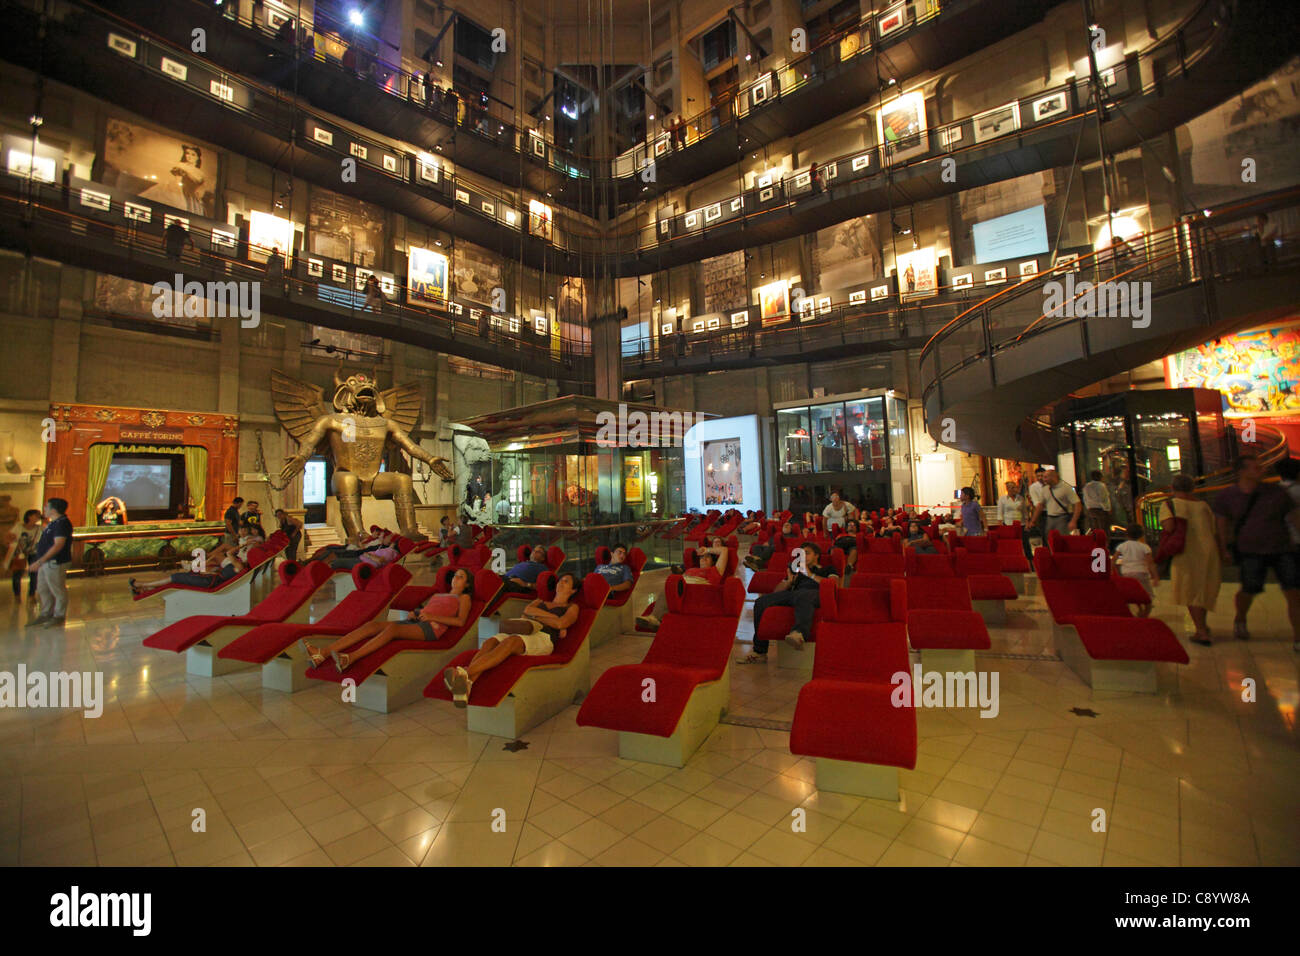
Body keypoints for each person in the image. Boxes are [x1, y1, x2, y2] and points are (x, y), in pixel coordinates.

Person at [444, 572, 581, 705]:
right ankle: (466, 686)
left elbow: (562, 623)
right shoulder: (539, 601)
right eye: (560, 580)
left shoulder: (572, 607)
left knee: (512, 641)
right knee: (490, 642)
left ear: (573, 590)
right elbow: (528, 611)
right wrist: (553, 618)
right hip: (526, 629)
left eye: (566, 581)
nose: (560, 582)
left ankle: (464, 672)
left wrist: (537, 617)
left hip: (543, 637)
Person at [308, 567, 473, 671]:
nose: (455, 578)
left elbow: (460, 622)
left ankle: (350, 658)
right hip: (417, 622)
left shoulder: (464, 598)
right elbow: (426, 610)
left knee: (392, 629)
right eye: (455, 575)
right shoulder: (438, 594)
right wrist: (416, 613)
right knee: (371, 626)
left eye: (460, 577)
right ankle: (323, 653)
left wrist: (431, 616)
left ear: (467, 585)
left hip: (432, 629)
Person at [1212, 455, 1299, 647]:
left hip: (1282, 547)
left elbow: (1293, 516)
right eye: (1256, 468)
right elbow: (1222, 524)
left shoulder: (1276, 492)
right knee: (1249, 589)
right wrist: (1224, 548)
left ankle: (1298, 637)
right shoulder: (1227, 496)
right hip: (1250, 549)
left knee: (1293, 591)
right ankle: (1240, 618)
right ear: (1242, 471)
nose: (1262, 470)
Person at [739, 542, 838, 662]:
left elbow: (833, 584)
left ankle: (799, 633)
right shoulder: (796, 571)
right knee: (761, 602)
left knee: (804, 595)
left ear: (817, 555)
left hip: (815, 594)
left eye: (807, 553)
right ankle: (760, 651)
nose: (803, 557)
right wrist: (789, 581)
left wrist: (810, 574)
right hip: (794, 594)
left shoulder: (828, 569)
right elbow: (776, 591)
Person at [1161, 473, 1222, 645]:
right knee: (1202, 589)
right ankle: (1202, 625)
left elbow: (1169, 527)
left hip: (1186, 552)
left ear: (1173, 488)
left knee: (1190, 590)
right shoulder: (1203, 505)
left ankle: (1201, 632)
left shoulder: (1170, 505)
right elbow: (1214, 529)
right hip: (1208, 550)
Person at [638, 540, 728, 631]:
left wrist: (706, 550)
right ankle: (659, 618)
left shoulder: (715, 570)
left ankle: (656, 618)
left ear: (713, 562)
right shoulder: (691, 569)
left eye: (707, 557)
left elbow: (724, 550)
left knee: (673, 585)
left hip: (700, 587)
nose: (703, 559)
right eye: (701, 557)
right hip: (683, 584)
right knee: (670, 584)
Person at [130, 542, 251, 594]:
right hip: (210, 579)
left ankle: (142, 585)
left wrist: (241, 546)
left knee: (175, 577)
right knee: (177, 579)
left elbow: (229, 553)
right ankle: (148, 587)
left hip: (209, 582)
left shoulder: (238, 566)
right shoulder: (238, 565)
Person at [28, 498, 73, 628]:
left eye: (46, 507)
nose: (44, 509)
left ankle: (59, 615)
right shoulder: (54, 523)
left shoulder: (62, 524)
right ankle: (46, 613)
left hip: (55, 562)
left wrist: (40, 561)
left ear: (53, 510)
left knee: (57, 590)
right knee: (42, 588)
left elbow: (58, 545)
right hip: (45, 562)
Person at [1114, 524, 1157, 618]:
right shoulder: (1145, 547)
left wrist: (1116, 572)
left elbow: (1113, 560)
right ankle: (1144, 615)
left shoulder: (1122, 546)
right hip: (1142, 573)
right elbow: (1150, 563)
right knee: (1147, 596)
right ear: (1141, 535)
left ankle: (1128, 614)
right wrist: (1155, 576)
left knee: (1128, 595)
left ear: (1126, 534)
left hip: (1127, 574)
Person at [1032, 467, 1081, 537]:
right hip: (1050, 518)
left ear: (1053, 477)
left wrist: (1074, 520)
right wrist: (1033, 520)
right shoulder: (1045, 489)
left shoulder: (1065, 488)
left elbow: (1077, 504)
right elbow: (1040, 505)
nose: (1043, 479)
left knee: (1062, 538)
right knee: (1049, 537)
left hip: (1062, 517)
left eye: (1045, 477)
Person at [6, 509, 41, 601]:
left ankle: (32, 595)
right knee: (17, 574)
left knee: (34, 574)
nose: (38, 517)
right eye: (36, 515)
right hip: (19, 553)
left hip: (33, 552)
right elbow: (9, 536)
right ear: (29, 516)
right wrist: (13, 542)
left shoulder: (39, 528)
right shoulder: (19, 526)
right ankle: (17, 595)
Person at [996, 480, 1032, 559]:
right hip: (1009, 524)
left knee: (1025, 542)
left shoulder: (1020, 498)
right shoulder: (1002, 499)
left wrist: (1027, 523)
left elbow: (1025, 512)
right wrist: (1000, 525)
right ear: (1008, 489)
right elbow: (1000, 513)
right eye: (1012, 487)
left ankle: (1028, 559)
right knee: (1011, 543)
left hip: (1020, 523)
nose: (1014, 489)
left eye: (1015, 487)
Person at [1082, 469, 1113, 534]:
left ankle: (1096, 542)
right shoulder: (1101, 486)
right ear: (1100, 476)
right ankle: (1104, 543)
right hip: (1101, 510)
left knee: (1094, 529)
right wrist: (1107, 509)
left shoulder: (1086, 486)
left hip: (1091, 510)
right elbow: (1103, 499)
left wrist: (1088, 508)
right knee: (1103, 529)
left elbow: (1085, 499)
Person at [1026, 466, 1048, 544]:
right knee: (1045, 535)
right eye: (1038, 476)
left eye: (1042, 476)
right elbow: (1038, 504)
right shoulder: (1033, 487)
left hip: (1054, 513)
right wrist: (1033, 520)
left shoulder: (1051, 485)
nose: (1040, 478)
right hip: (1042, 513)